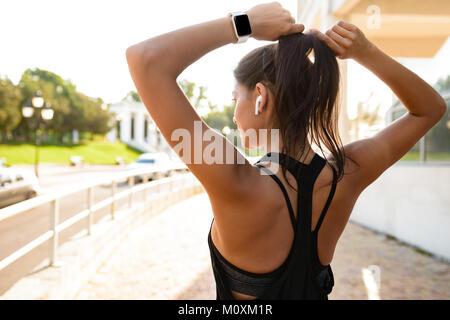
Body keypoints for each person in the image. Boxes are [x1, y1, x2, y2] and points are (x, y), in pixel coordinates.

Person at [125, 2, 446, 300]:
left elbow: (146, 61)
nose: (234, 114)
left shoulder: (233, 180)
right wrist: (365, 52)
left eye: (236, 97)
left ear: (260, 97)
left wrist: (243, 24)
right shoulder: (347, 174)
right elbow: (429, 109)